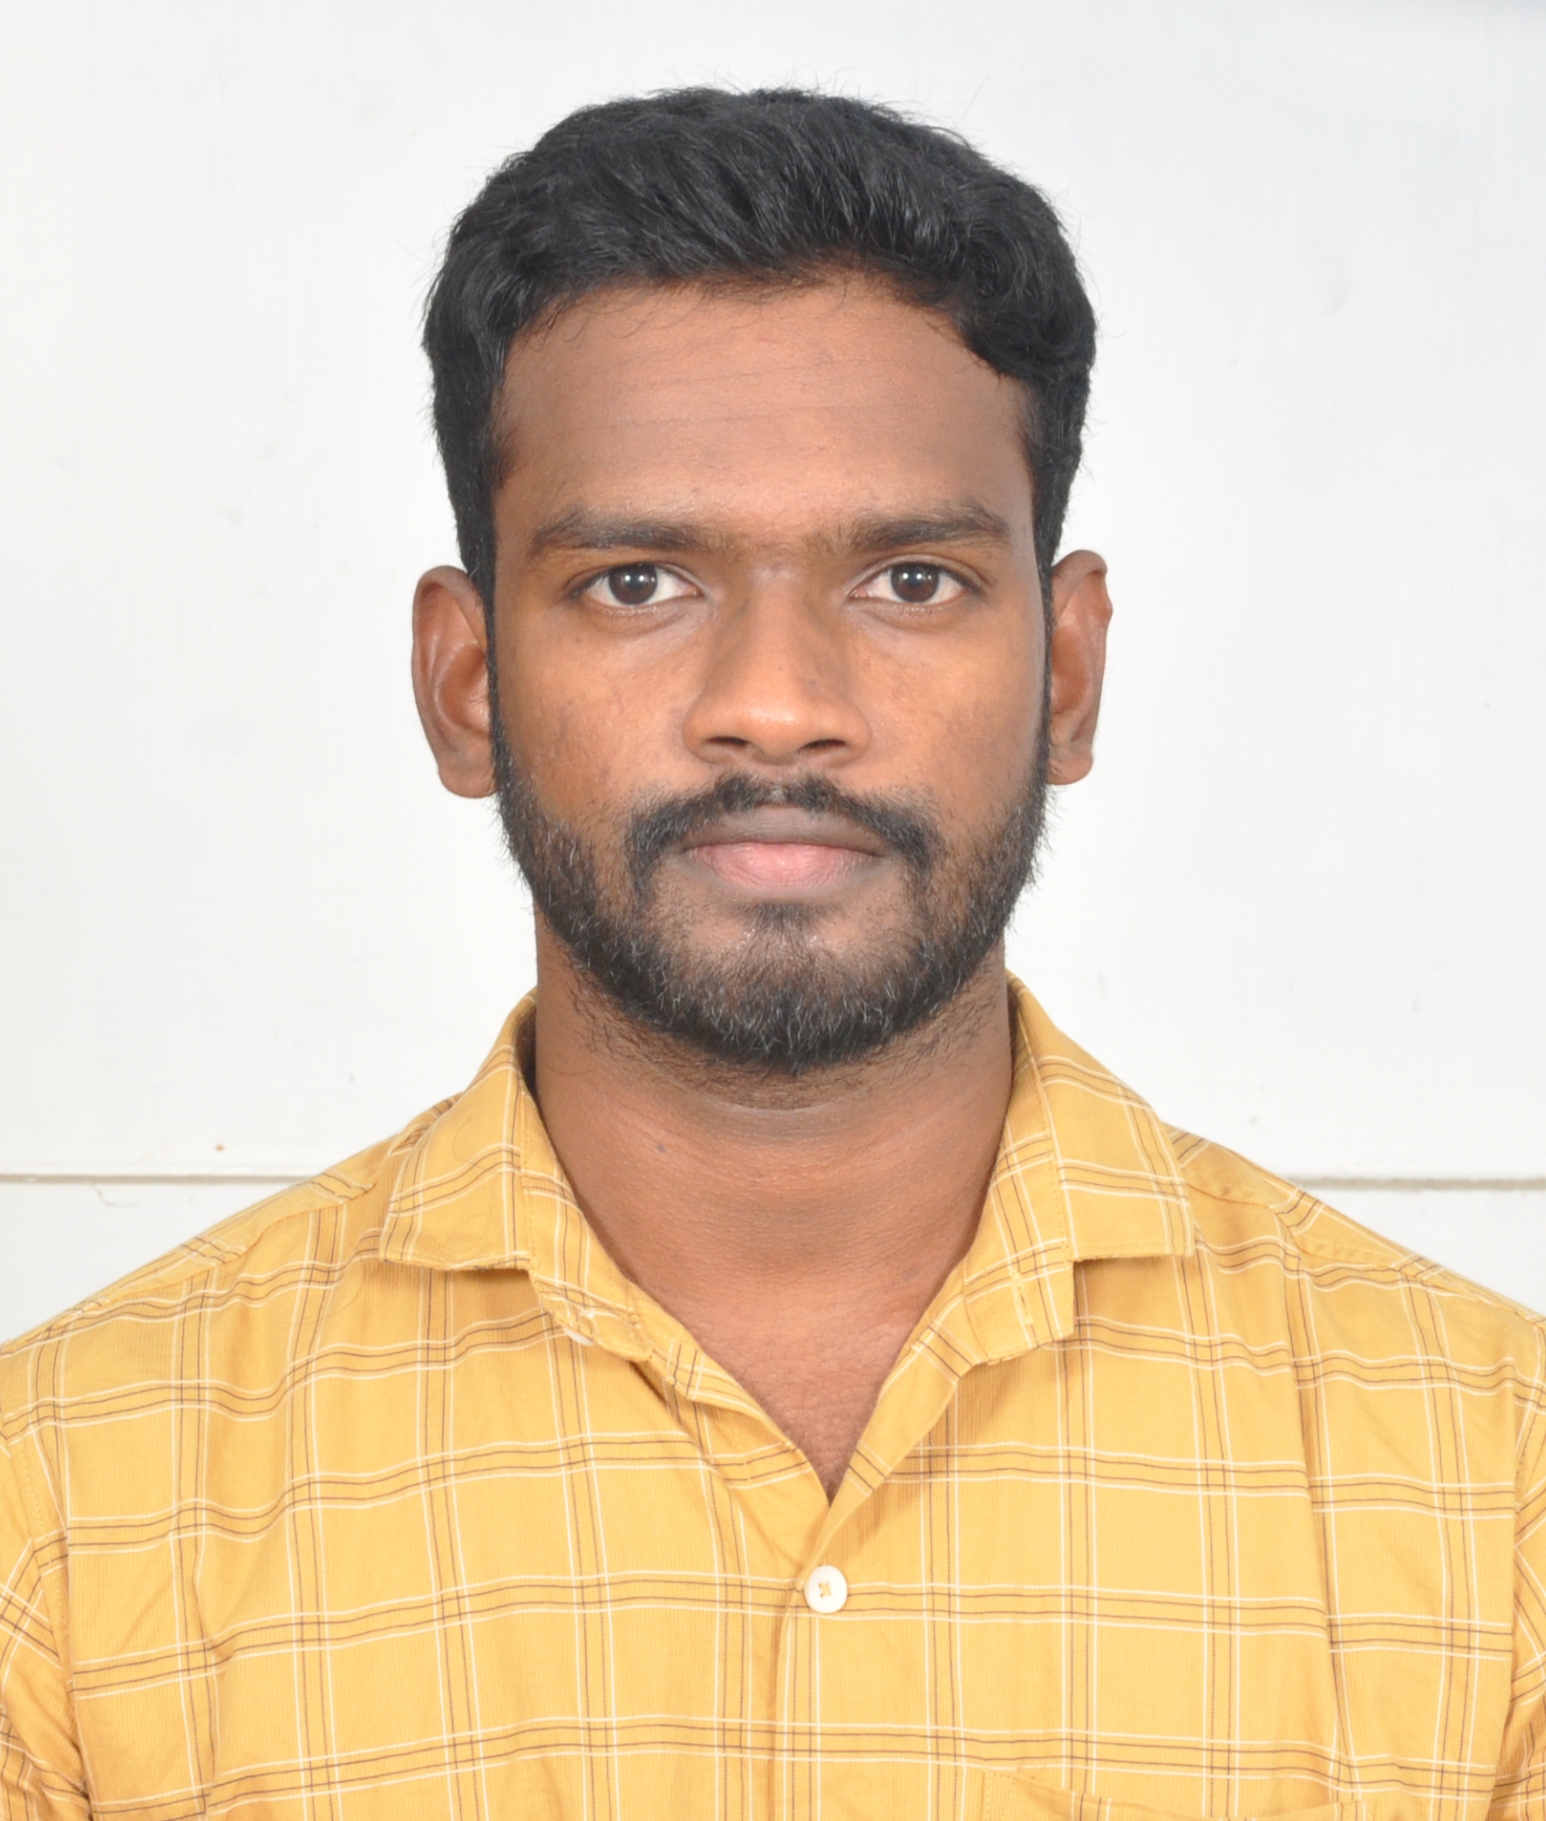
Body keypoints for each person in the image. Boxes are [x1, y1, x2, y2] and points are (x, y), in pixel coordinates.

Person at [0, 86, 1540, 1821]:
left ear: (1066, 673)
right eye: (639, 581)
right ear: (467, 685)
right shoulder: (61, 1511)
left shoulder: (1495, 1486)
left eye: (908, 580)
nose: (778, 705)